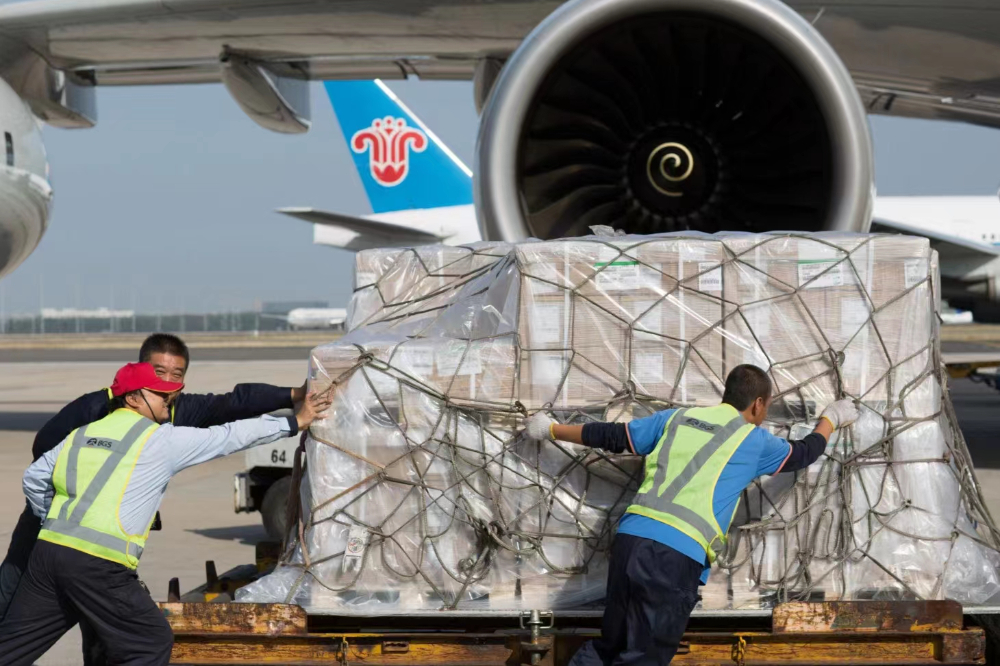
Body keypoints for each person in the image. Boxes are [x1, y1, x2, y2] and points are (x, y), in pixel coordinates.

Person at [523, 364, 859, 666]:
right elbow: (805, 452)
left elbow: (614, 436)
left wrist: (551, 429)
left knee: (610, 646)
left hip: (630, 541)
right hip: (673, 557)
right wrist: (830, 417)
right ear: (758, 404)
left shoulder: (674, 418)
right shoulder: (753, 439)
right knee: (644, 657)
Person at [0, 361, 331, 666]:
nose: (168, 400)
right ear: (132, 398)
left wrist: (54, 520)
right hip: (99, 566)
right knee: (151, 642)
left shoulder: (80, 435)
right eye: (159, 394)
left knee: (13, 646)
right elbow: (228, 437)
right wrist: (294, 421)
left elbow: (35, 479)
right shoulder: (158, 440)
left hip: (48, 554)